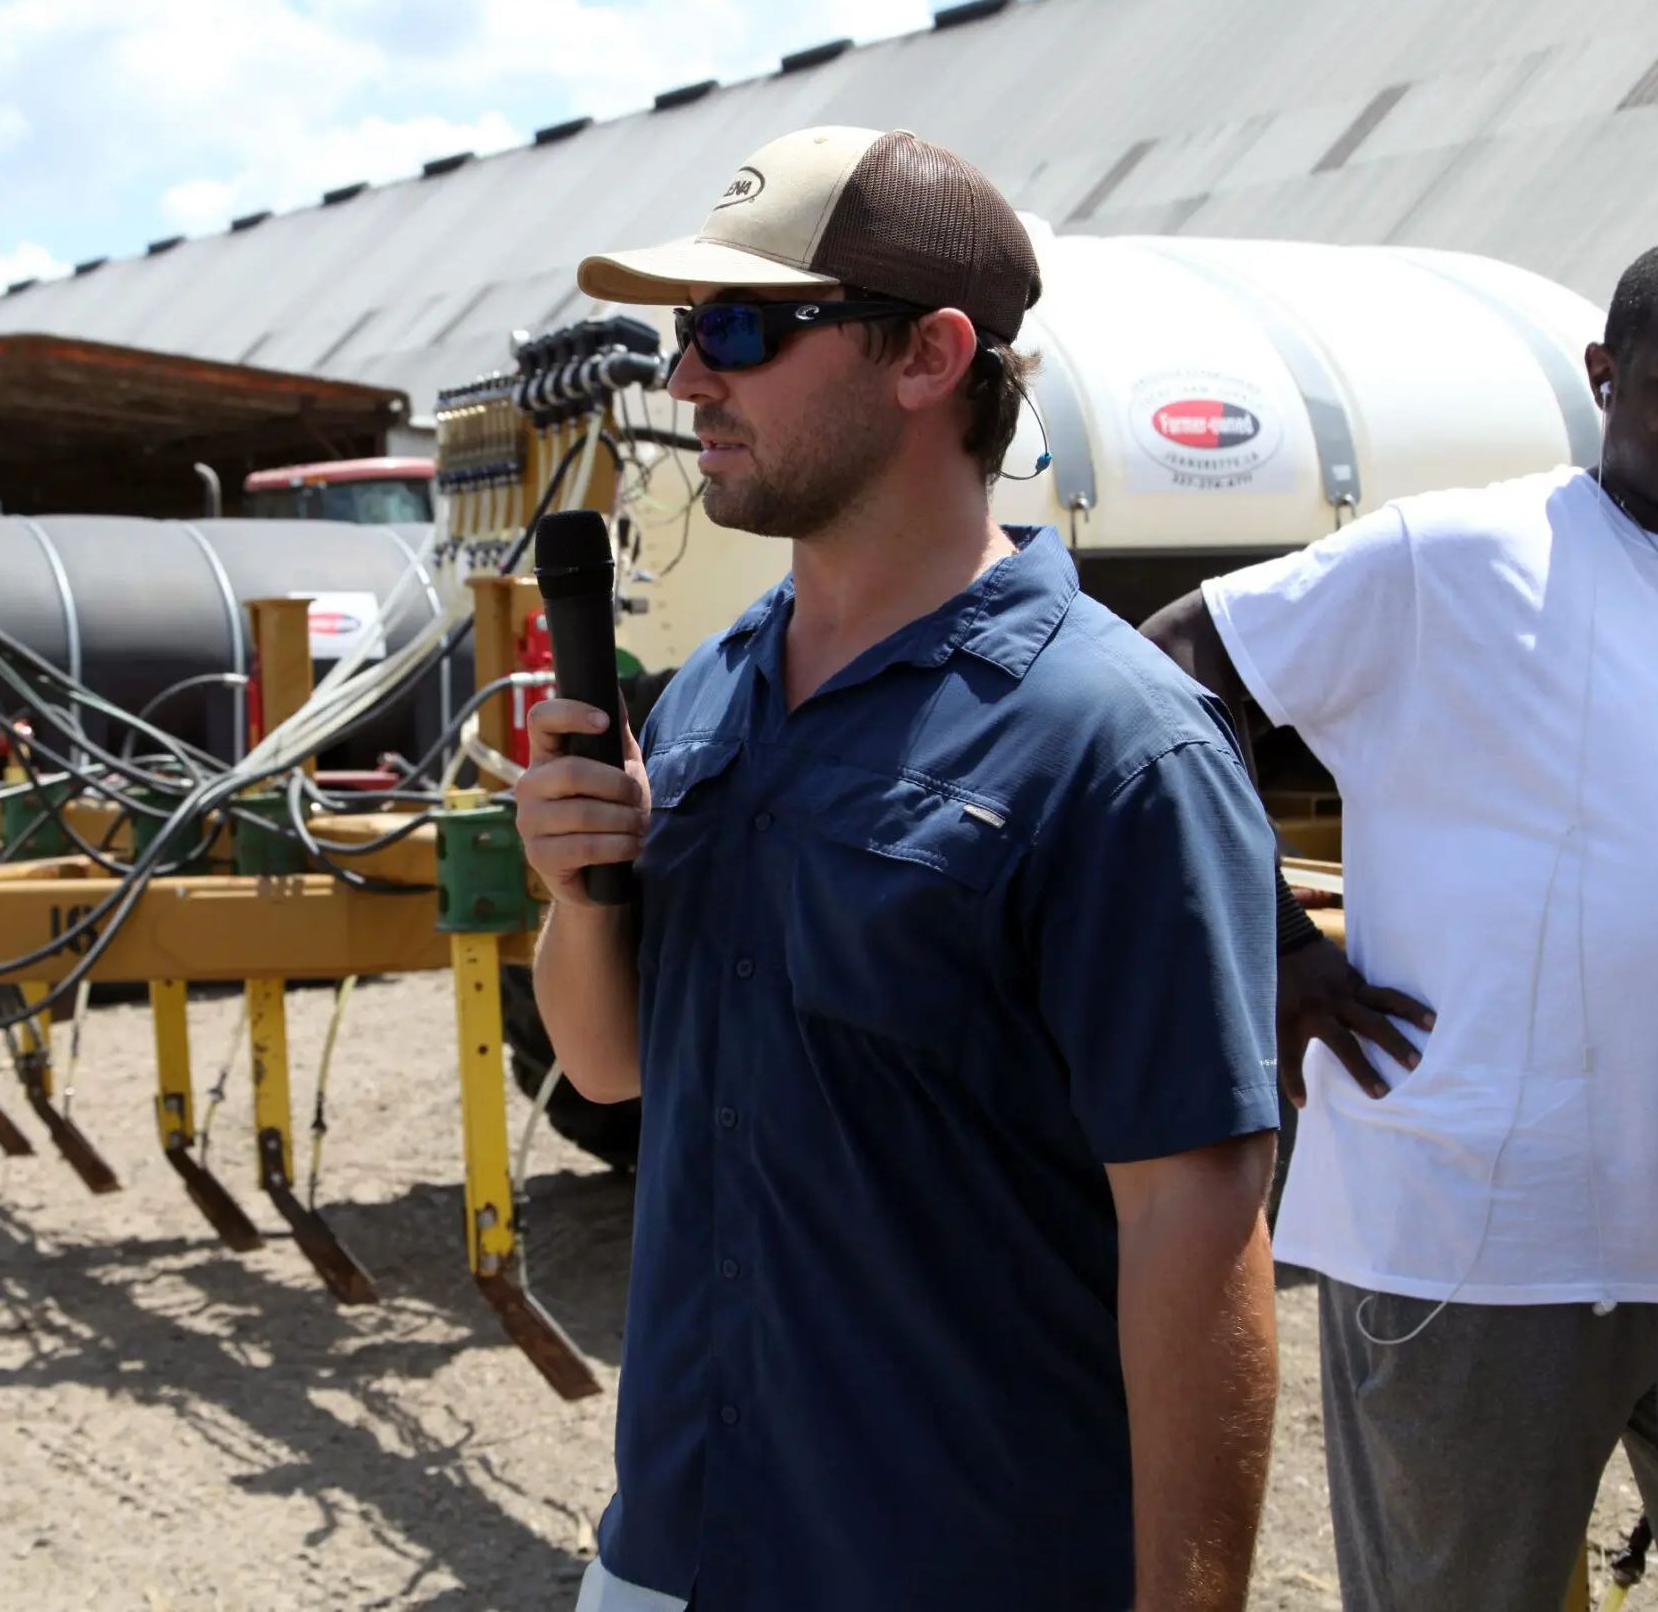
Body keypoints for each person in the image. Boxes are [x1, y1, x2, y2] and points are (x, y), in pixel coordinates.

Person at [516, 126, 1282, 1612]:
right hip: (670, 1549)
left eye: (735, 329)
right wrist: (576, 888)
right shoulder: (718, 690)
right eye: (684, 333)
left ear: (929, 355)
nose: (686, 381)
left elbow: (1192, 1223)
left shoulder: (1111, 746)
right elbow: (612, 1069)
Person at [1140, 240, 1658, 1612]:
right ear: (1603, 377)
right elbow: (1161, 682)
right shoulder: (1459, 555)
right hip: (1483, 1251)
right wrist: (1271, 938)